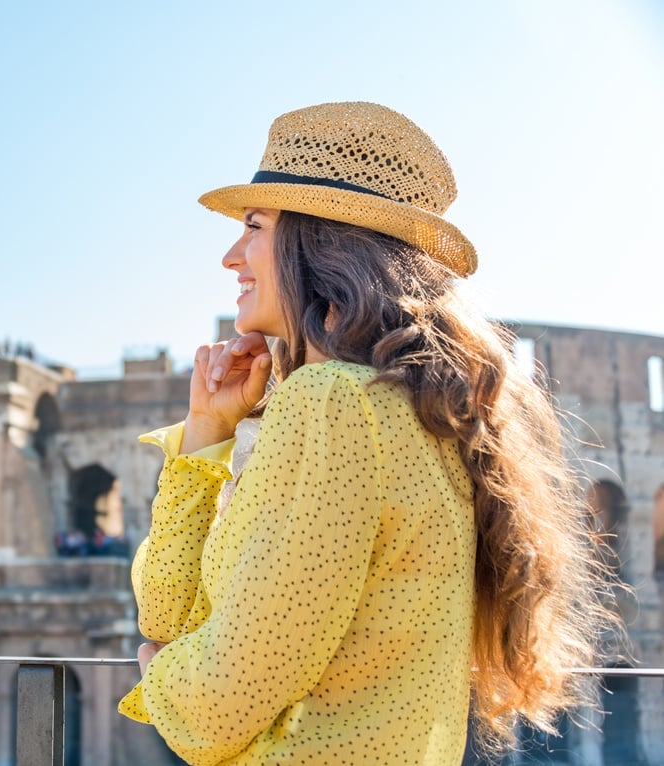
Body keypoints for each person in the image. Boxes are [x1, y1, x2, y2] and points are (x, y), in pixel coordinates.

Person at [118, 102, 623, 764]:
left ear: (320, 240)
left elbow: (214, 708)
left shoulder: (332, 406)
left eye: (253, 225)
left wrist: (160, 676)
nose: (230, 256)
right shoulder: (429, 415)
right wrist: (205, 437)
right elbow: (173, 621)